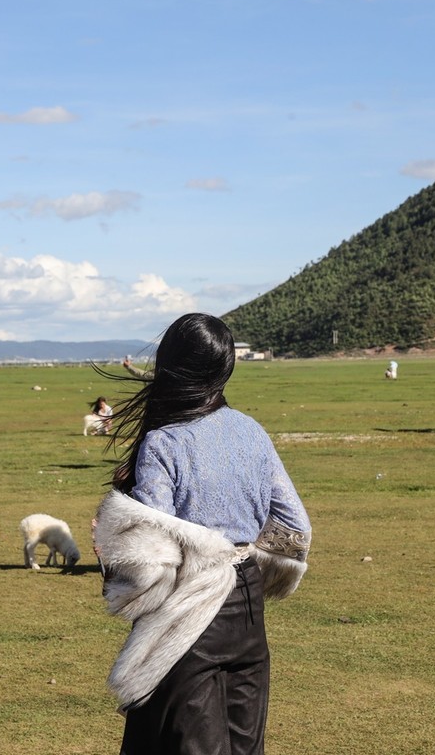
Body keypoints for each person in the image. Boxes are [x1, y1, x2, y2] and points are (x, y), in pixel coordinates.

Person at [92, 313, 311, 755]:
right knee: (245, 745)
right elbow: (296, 527)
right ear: (225, 367)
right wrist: (245, 561)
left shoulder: (164, 442)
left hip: (188, 615)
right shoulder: (251, 431)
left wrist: (114, 575)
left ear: (171, 366)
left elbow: (150, 560)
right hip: (248, 608)